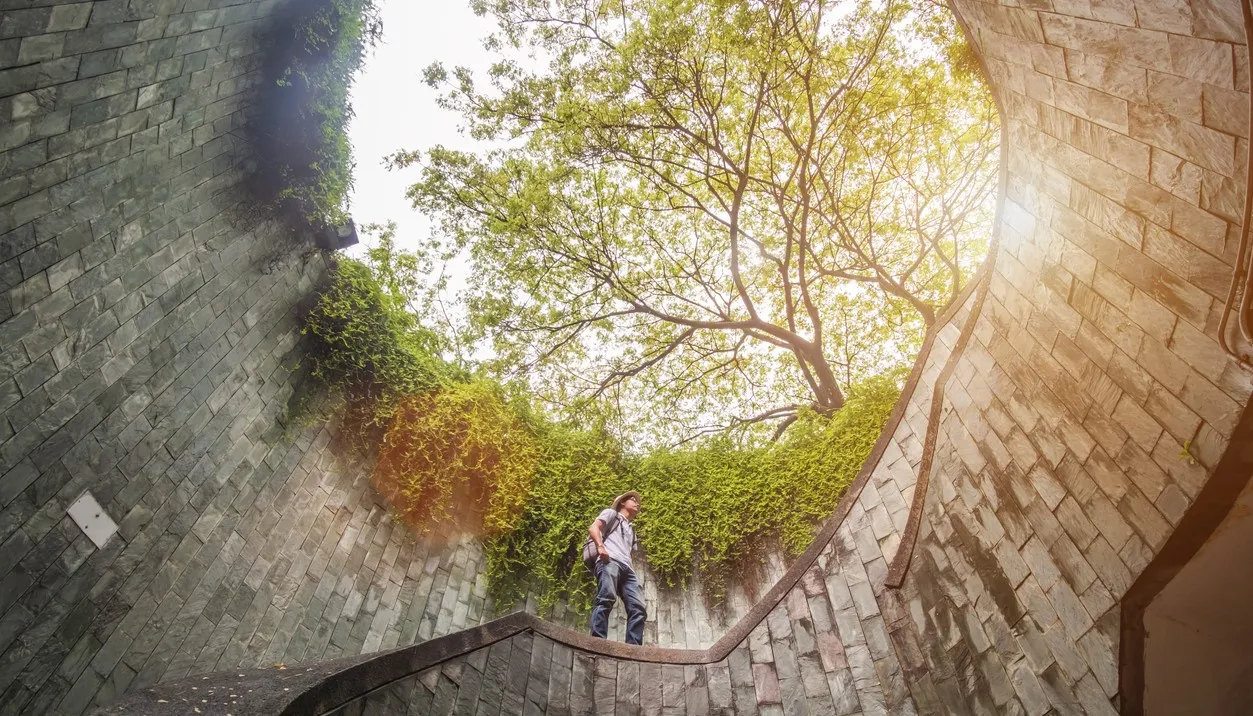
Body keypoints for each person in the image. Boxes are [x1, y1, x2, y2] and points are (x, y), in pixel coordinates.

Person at [587, 490, 646, 645]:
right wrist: (601, 547)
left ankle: (633, 648)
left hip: (627, 568)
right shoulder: (611, 514)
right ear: (622, 502)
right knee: (606, 598)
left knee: (638, 607)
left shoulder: (632, 529)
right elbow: (594, 528)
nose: (637, 503)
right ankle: (598, 642)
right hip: (609, 561)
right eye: (633, 500)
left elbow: (628, 553)